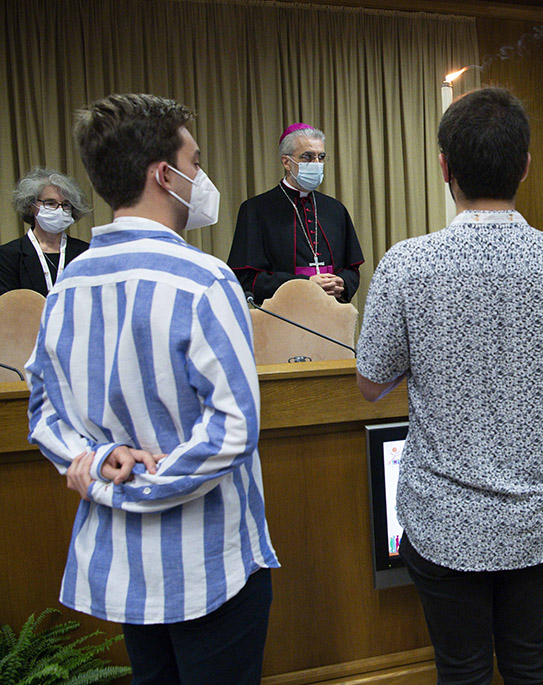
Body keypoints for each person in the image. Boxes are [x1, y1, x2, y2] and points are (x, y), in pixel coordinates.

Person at [355, 87, 543, 684]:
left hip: (442, 516)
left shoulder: (407, 263)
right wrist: (540, 384)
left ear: (444, 166)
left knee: (462, 670)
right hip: (536, 513)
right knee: (531, 664)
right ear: (525, 164)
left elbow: (371, 384)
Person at [25, 93, 279, 684]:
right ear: (164, 175)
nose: (201, 177)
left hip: (127, 563)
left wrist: (100, 462)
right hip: (211, 562)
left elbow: (42, 413)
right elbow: (234, 429)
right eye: (195, 162)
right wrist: (141, 480)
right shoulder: (205, 279)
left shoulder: (68, 285)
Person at [228, 123, 364, 302]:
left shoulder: (335, 209)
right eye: (307, 157)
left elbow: (352, 269)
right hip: (283, 319)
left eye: (321, 157)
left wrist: (342, 283)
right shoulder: (256, 210)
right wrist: (305, 284)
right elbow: (247, 279)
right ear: (286, 162)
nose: (316, 163)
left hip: (333, 318)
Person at [1, 168, 90, 297]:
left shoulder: (85, 253)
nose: (59, 210)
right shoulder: (8, 256)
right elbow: (9, 308)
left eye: (65, 204)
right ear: (31, 206)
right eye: (50, 203)